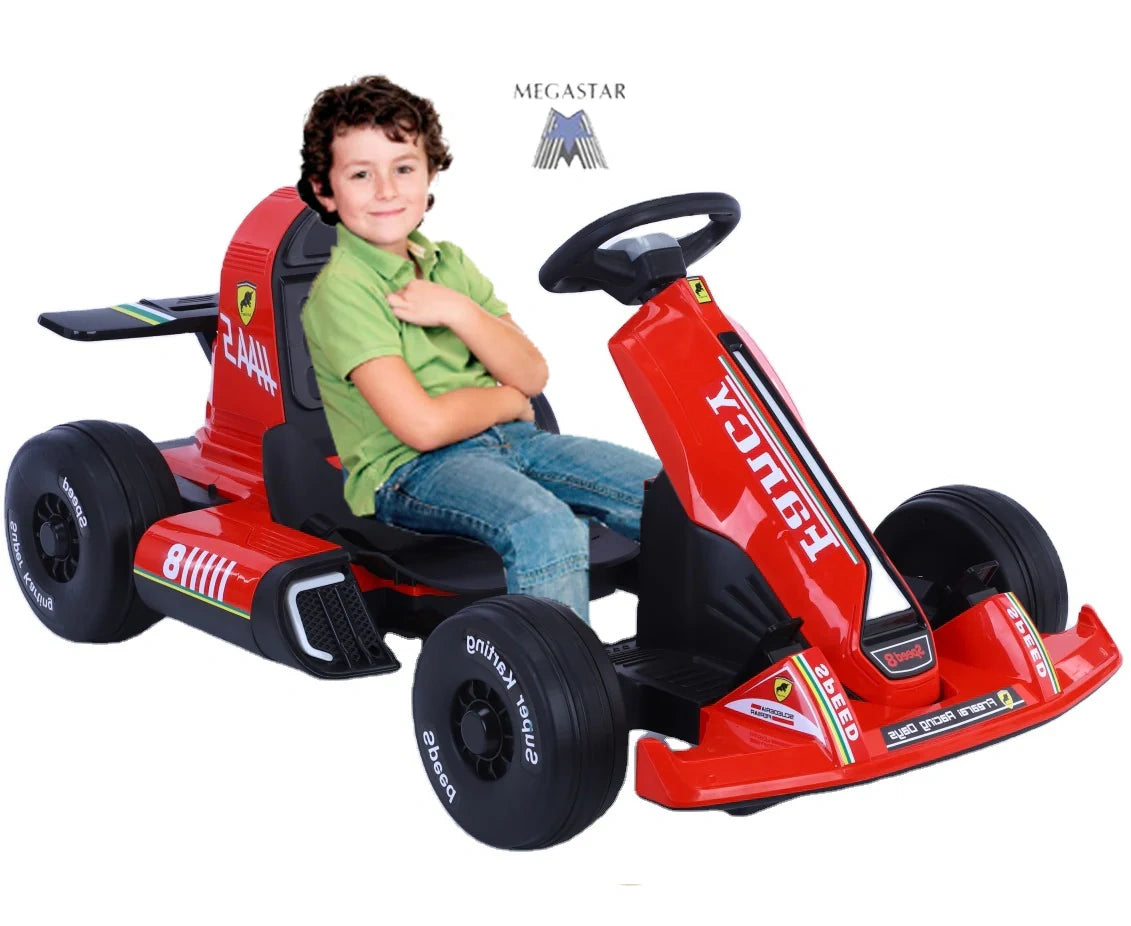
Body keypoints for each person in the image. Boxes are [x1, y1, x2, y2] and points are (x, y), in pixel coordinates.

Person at [297, 75, 659, 623]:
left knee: (669, 496)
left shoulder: (449, 264)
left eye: (402, 169)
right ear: (326, 190)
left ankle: (720, 666)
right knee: (545, 525)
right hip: (411, 472)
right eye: (360, 175)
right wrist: (506, 403)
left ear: (429, 173)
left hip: (508, 442)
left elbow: (531, 374)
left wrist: (459, 311)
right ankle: (564, 690)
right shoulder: (342, 291)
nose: (387, 190)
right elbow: (422, 428)